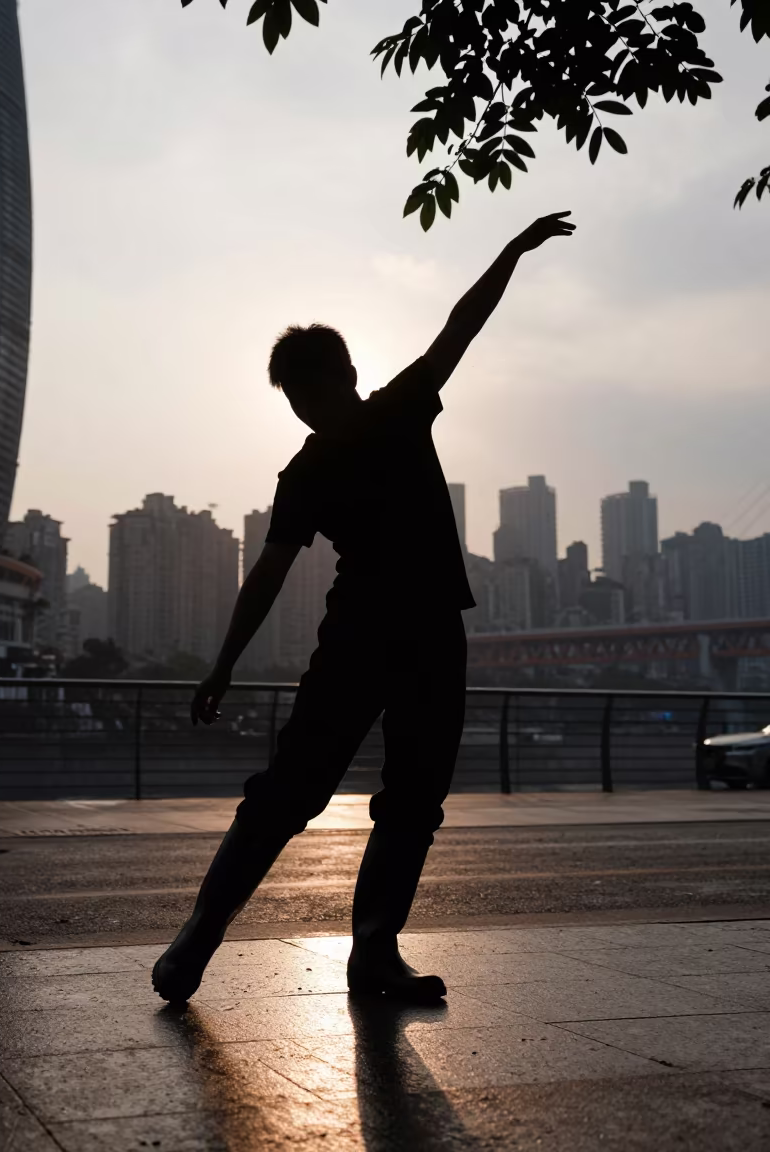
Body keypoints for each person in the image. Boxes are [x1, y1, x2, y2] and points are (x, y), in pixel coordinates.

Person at [152, 211, 575, 1004]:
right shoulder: (304, 471)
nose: (304, 407)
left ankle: (375, 953)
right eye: (292, 397)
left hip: (434, 634)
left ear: (345, 374)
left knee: (414, 801)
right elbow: (268, 572)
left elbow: (461, 326)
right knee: (289, 791)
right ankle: (199, 934)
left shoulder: (401, 405)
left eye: (309, 390)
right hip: (356, 638)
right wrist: (223, 664)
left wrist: (512, 252)